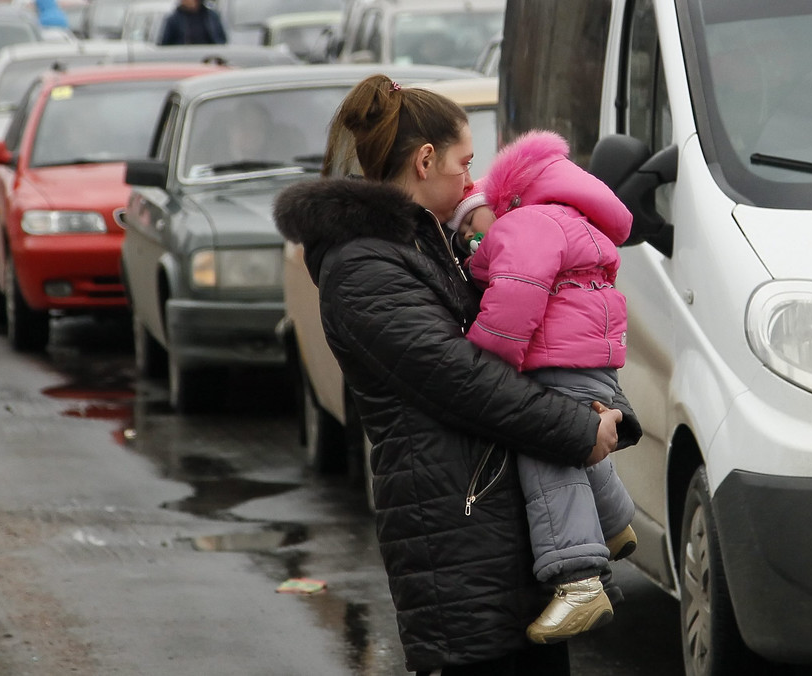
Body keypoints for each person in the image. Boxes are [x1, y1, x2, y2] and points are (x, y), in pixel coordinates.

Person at [272, 75, 641, 676]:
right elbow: (464, 380)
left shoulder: (423, 244)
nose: (473, 183)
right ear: (424, 161)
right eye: (464, 164)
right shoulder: (363, 266)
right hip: (458, 545)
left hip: (490, 531)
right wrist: (576, 428)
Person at [443, 129, 638, 645]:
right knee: (576, 445)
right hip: (584, 355)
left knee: (546, 452)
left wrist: (482, 356)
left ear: (495, 205)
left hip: (559, 355)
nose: (471, 241)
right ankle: (616, 524)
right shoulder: (567, 217)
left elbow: (516, 301)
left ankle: (577, 580)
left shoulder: (525, 224)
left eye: (470, 228)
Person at [158, 0, 227, 46]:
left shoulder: (211, 16)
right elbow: (164, 43)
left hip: (208, 57)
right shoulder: (173, 19)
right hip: (183, 58)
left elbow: (221, 39)